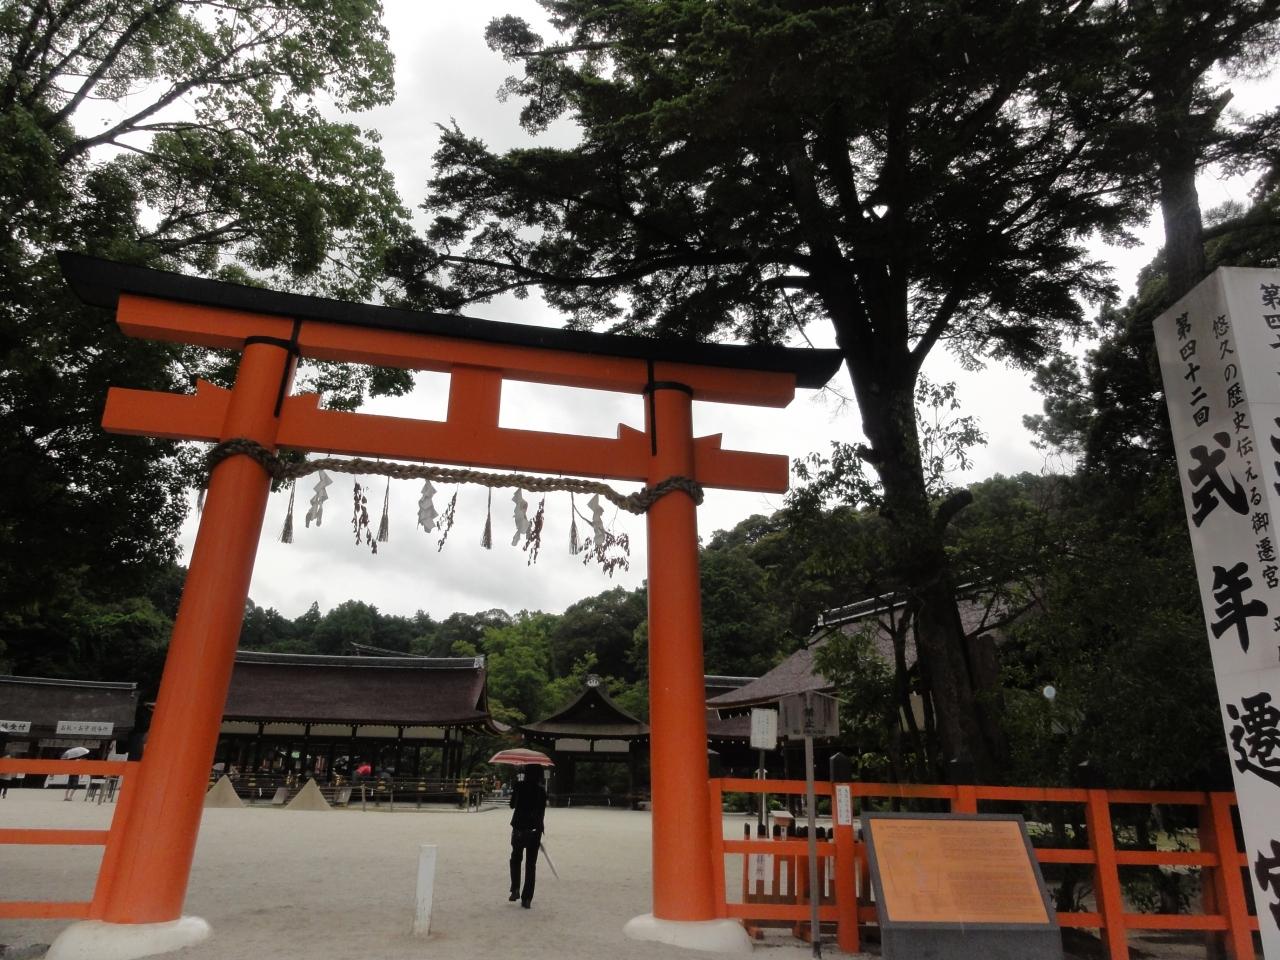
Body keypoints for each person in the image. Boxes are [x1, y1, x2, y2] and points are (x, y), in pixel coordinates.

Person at [508, 763, 547, 909]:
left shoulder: (519, 786)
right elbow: (542, 812)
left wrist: (516, 787)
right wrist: (540, 828)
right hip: (534, 830)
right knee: (531, 864)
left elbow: (512, 805)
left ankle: (515, 888)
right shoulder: (541, 791)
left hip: (519, 827)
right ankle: (527, 898)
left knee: (515, 858)